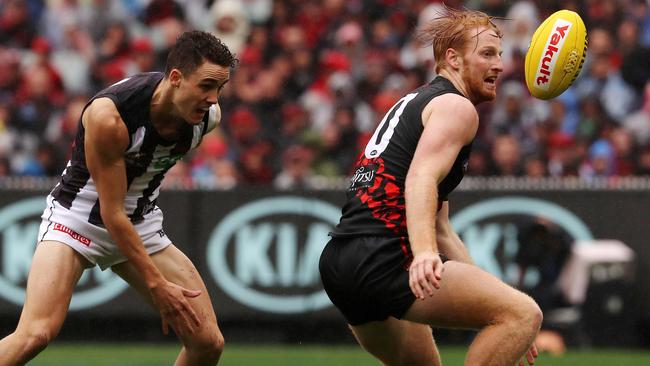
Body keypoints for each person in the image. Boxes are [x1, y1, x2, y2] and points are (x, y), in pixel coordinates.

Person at [319, 7, 542, 366]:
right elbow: (419, 178)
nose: (499, 65)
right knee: (525, 314)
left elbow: (440, 228)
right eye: (486, 54)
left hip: (340, 261)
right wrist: (423, 254)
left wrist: (497, 300)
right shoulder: (456, 107)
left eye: (499, 55)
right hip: (385, 258)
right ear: (452, 59)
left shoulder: (418, 101)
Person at [0, 30, 237, 366]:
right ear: (175, 78)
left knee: (207, 343)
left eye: (219, 88)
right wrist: (157, 284)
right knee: (35, 334)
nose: (214, 99)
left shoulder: (206, 119)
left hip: (139, 221)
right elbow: (111, 213)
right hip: (77, 219)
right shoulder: (109, 116)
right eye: (205, 86)